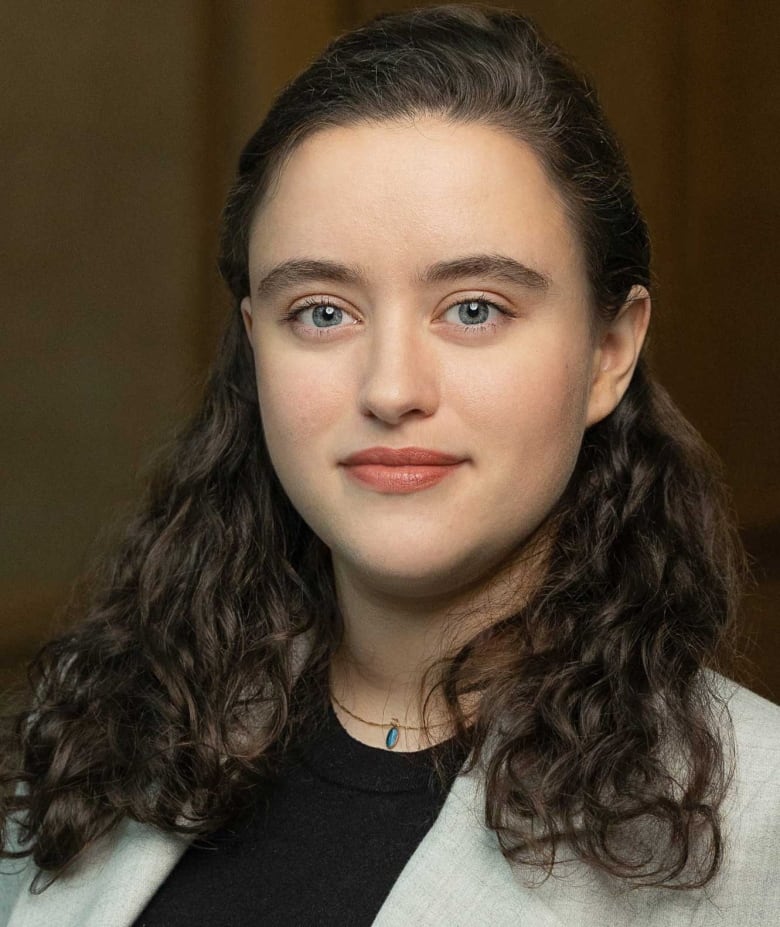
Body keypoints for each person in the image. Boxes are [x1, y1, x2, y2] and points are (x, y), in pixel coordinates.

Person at [1, 5, 778, 926]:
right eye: (323, 312)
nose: (392, 387)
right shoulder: (92, 742)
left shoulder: (760, 820)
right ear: (256, 345)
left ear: (610, 350)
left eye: (476, 308)